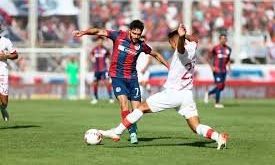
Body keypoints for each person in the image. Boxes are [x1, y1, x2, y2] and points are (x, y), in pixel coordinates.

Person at [99, 24, 229, 150]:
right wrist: (185, 35)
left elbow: (180, 48)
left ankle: (117, 131)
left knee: (140, 108)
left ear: (175, 42)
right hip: (187, 95)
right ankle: (218, 137)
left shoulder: (181, 52)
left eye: (171, 43)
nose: (171, 46)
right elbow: (195, 39)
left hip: (173, 94)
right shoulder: (192, 47)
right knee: (195, 126)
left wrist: (182, 36)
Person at [73, 20, 169, 144]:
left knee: (137, 111)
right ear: (130, 31)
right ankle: (132, 131)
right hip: (117, 77)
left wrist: (168, 66)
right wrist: (84, 32)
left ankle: (131, 127)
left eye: (138, 34)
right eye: (134, 33)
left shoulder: (141, 45)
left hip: (132, 79)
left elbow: (155, 54)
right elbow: (99, 31)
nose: (136, 36)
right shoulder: (118, 35)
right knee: (124, 104)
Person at [204, 34, 232, 108]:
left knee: (222, 87)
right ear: (219, 40)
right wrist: (212, 67)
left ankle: (209, 93)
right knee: (219, 85)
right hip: (217, 70)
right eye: (222, 39)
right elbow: (208, 58)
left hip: (224, 70)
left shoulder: (228, 49)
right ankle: (217, 103)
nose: (224, 40)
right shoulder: (215, 48)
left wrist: (229, 66)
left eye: (225, 39)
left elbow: (228, 59)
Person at [0, 23, 19, 121]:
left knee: (4, 102)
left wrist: (5, 56)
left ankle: (2, 108)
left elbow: (15, 55)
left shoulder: (6, 41)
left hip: (2, 73)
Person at [89, 37, 114, 104]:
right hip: (96, 69)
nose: (100, 42)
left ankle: (111, 97)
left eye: (101, 41)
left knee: (107, 83)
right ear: (97, 41)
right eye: (98, 41)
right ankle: (95, 98)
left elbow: (110, 56)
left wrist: (109, 61)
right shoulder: (94, 49)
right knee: (95, 83)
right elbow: (91, 55)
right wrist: (92, 59)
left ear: (102, 41)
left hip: (104, 69)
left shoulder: (105, 49)